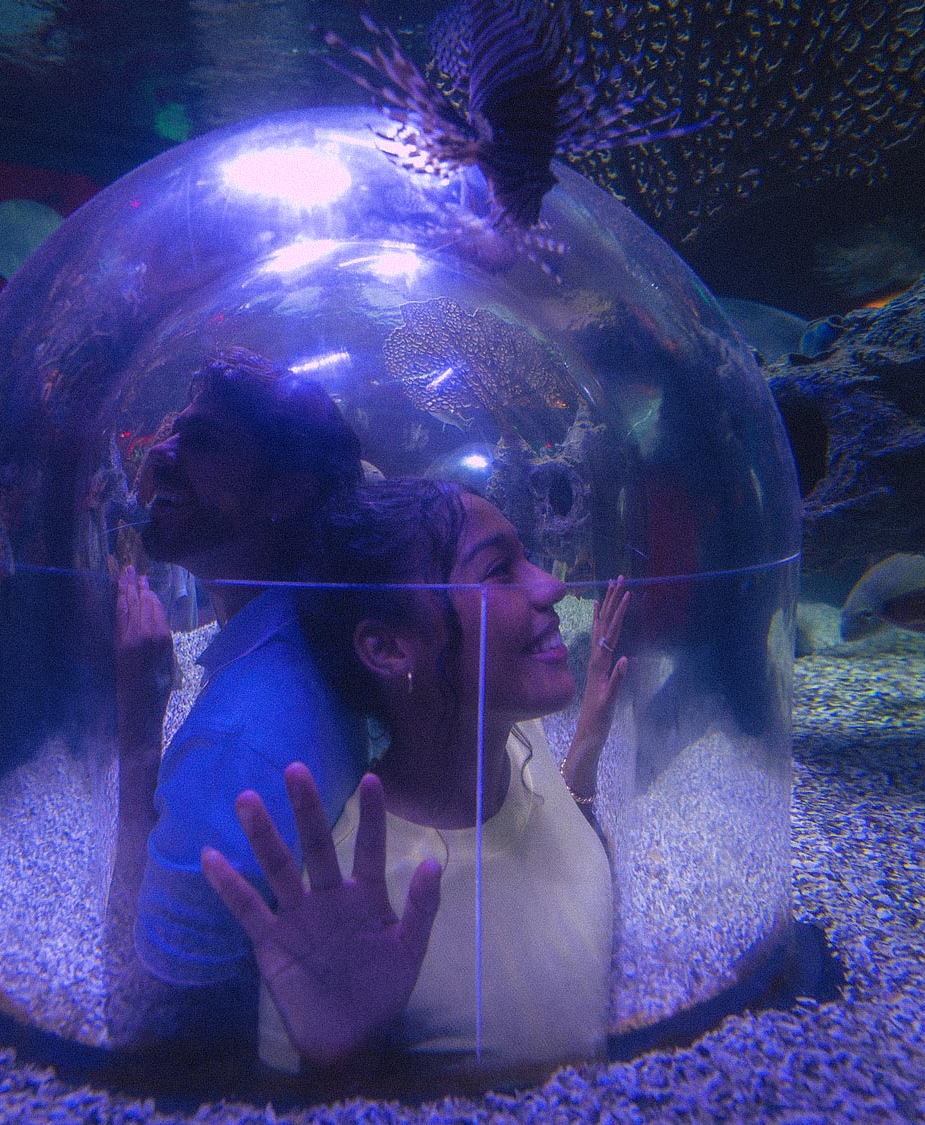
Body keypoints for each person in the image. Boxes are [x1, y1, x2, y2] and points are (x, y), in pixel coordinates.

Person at [201, 478, 631, 1088]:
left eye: (527, 557)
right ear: (387, 647)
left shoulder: (517, 736)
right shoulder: (352, 906)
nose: (551, 586)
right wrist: (338, 1062)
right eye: (499, 571)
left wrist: (584, 756)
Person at [105, 347, 366, 1064]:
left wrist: (136, 732)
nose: (162, 453)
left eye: (206, 441)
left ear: (287, 490)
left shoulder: (230, 746)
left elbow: (151, 1020)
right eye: (173, 429)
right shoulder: (317, 642)